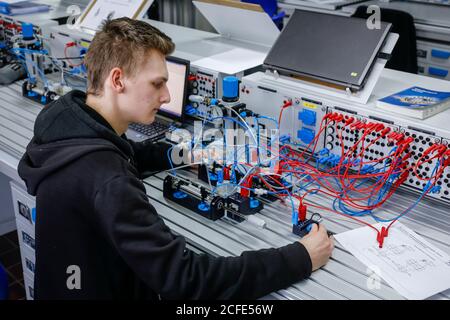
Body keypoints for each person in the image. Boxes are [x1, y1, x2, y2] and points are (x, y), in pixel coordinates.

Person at [18, 17, 334, 300]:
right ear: (117, 80)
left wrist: (180, 155)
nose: (167, 96)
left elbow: (123, 154)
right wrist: (300, 258)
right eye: (157, 84)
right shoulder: (107, 180)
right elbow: (187, 279)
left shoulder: (66, 123)